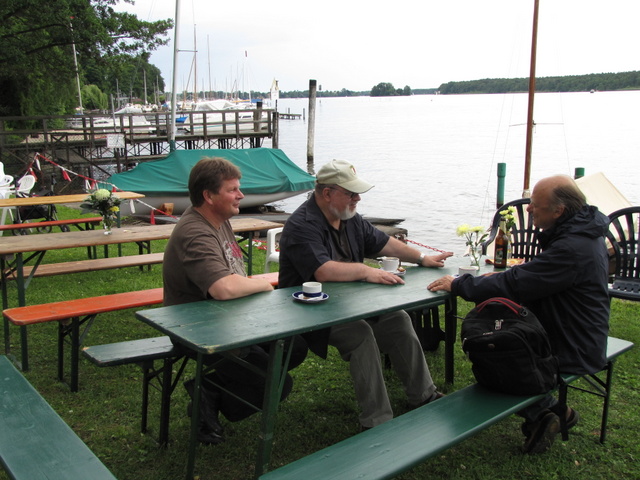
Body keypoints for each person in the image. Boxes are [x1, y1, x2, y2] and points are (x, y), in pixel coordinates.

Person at [428, 174, 610, 454]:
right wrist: (520, 272)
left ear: (559, 210)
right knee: (500, 334)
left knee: (492, 352)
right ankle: (549, 413)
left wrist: (460, 284)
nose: (528, 209)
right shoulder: (580, 235)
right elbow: (534, 276)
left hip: (572, 345)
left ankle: (548, 411)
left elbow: (516, 284)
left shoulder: (572, 247)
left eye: (535, 205)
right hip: (577, 331)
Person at [278, 159, 453, 430]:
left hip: (352, 305)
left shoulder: (349, 218)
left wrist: (422, 258)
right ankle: (377, 421)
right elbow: (323, 271)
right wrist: (365, 271)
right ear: (327, 193)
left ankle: (424, 395)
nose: (357, 198)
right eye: (351, 193)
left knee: (399, 320)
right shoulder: (302, 224)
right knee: (360, 334)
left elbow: (385, 243)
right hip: (308, 311)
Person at [163, 157, 307, 445]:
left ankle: (211, 388)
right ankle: (207, 401)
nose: (241, 195)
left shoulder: (219, 221)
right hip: (195, 328)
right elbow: (223, 288)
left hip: (228, 319)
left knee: (297, 346)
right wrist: (263, 286)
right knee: (276, 382)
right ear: (208, 195)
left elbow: (232, 278)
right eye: (233, 190)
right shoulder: (195, 231)